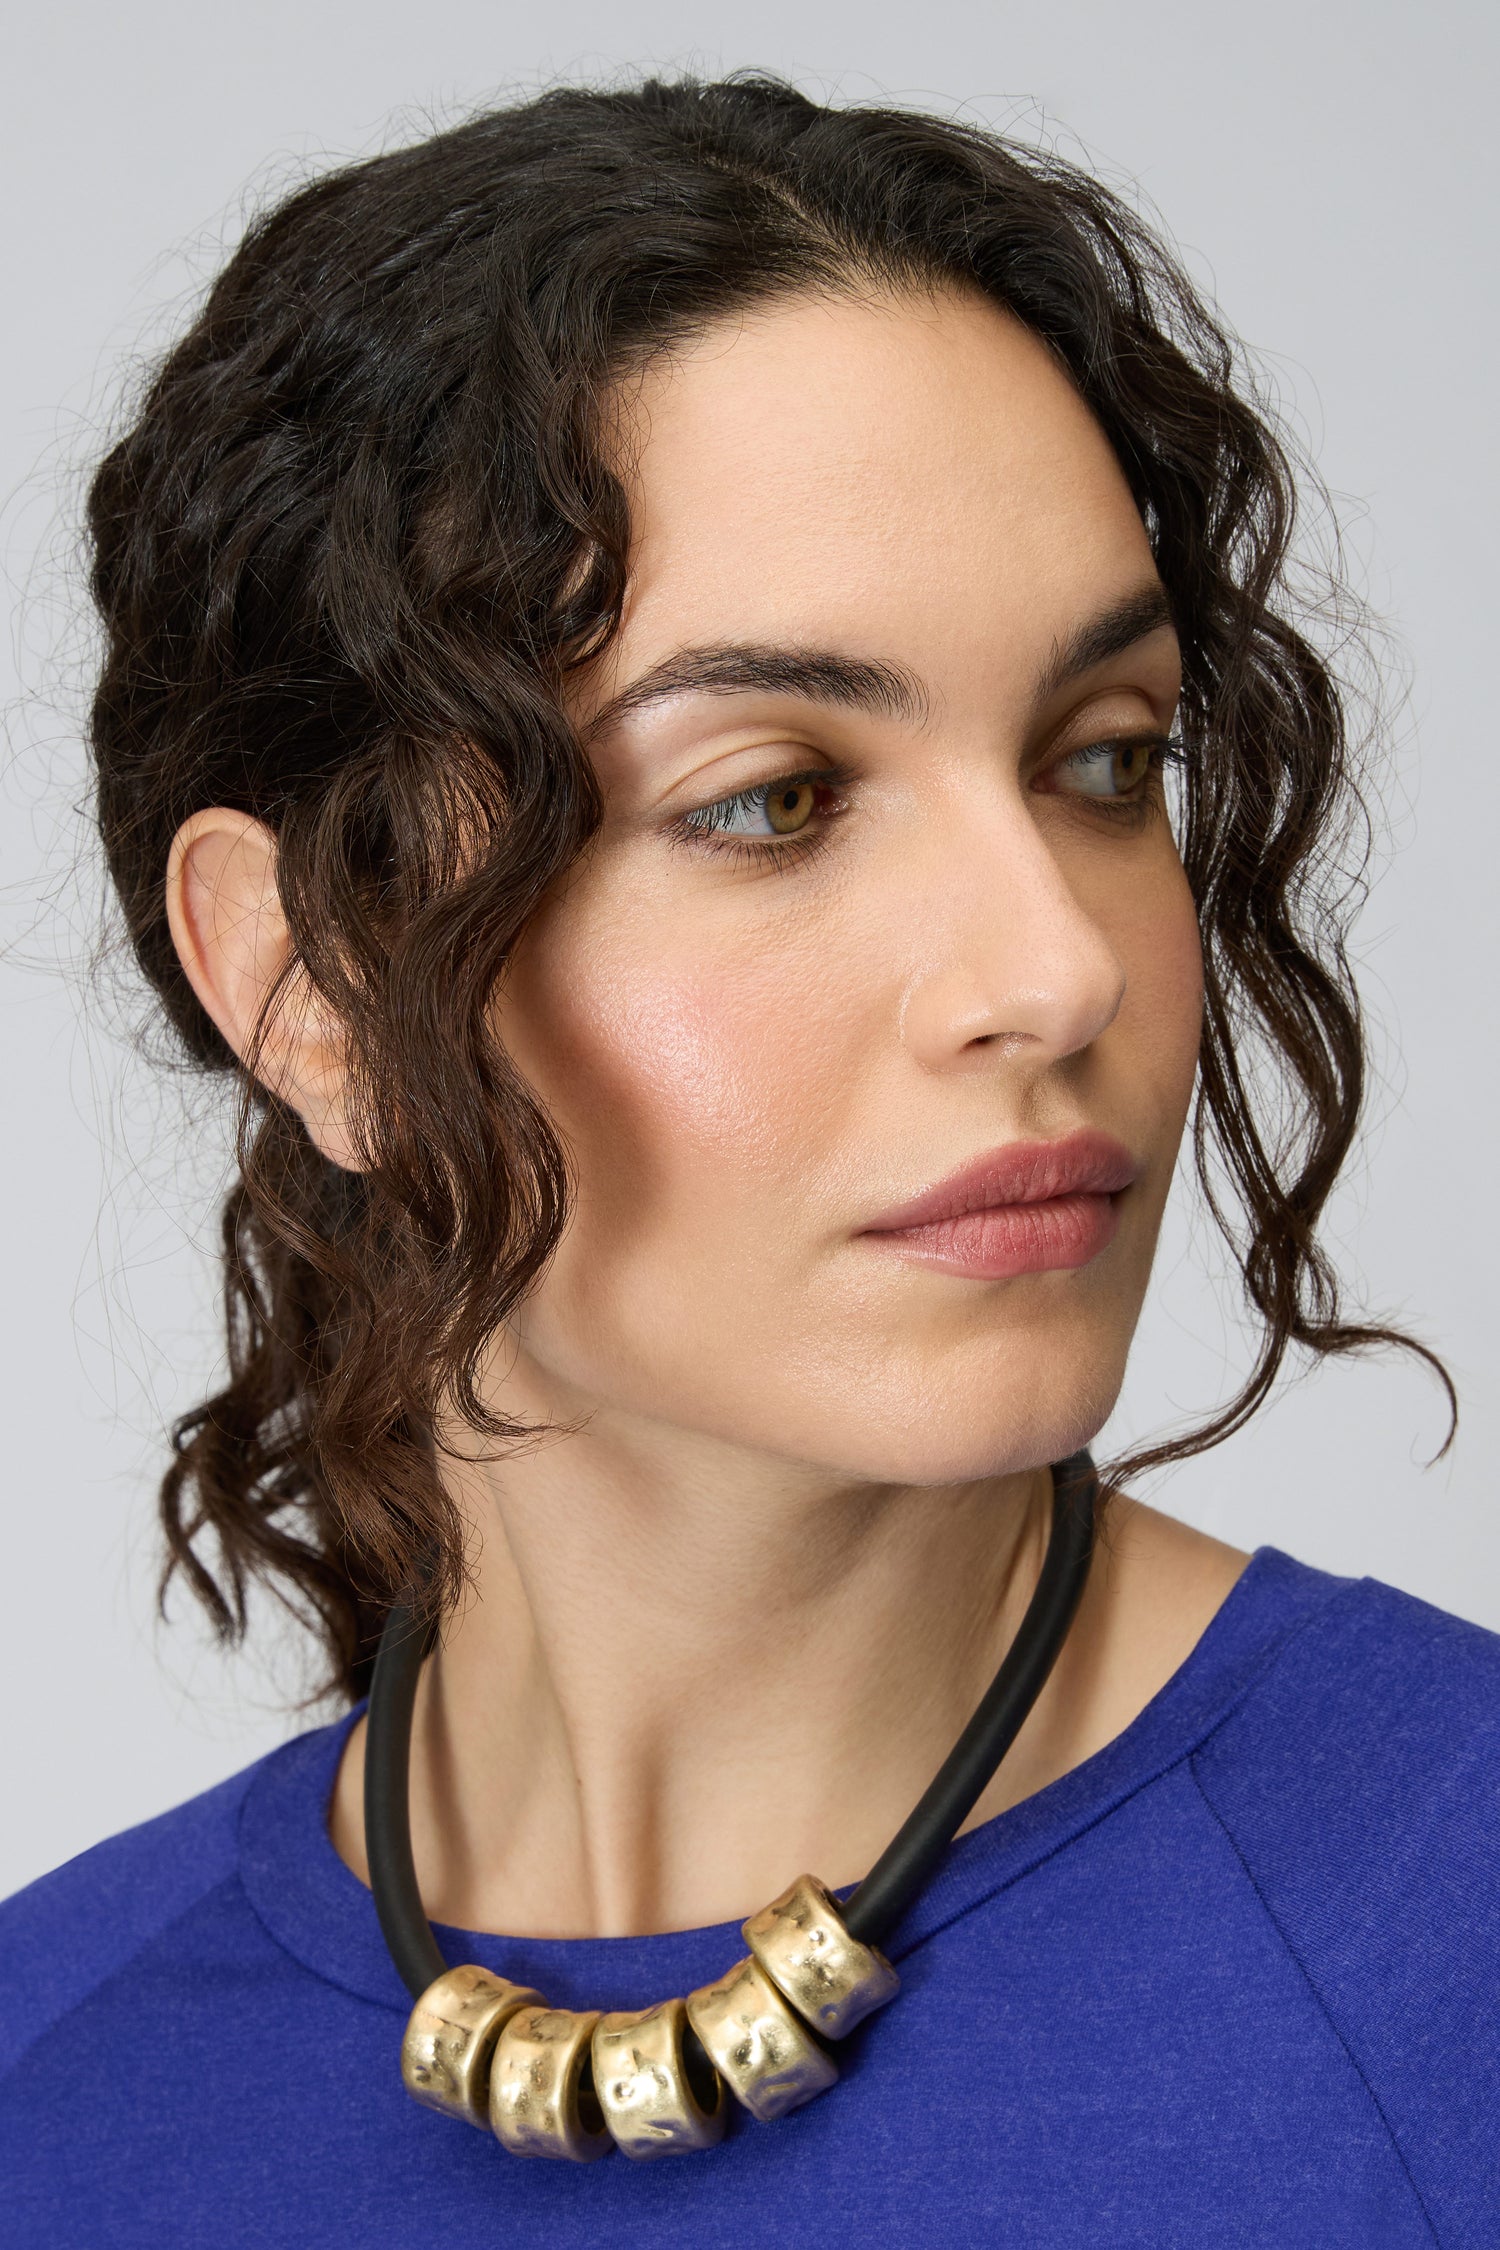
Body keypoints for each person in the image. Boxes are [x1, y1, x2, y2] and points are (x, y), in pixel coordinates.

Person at [1, 73, 1494, 2246]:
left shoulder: (1448, 1940)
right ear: (307, 977)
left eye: (1103, 760)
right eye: (778, 796)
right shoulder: (54, 2080)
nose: (1056, 965)